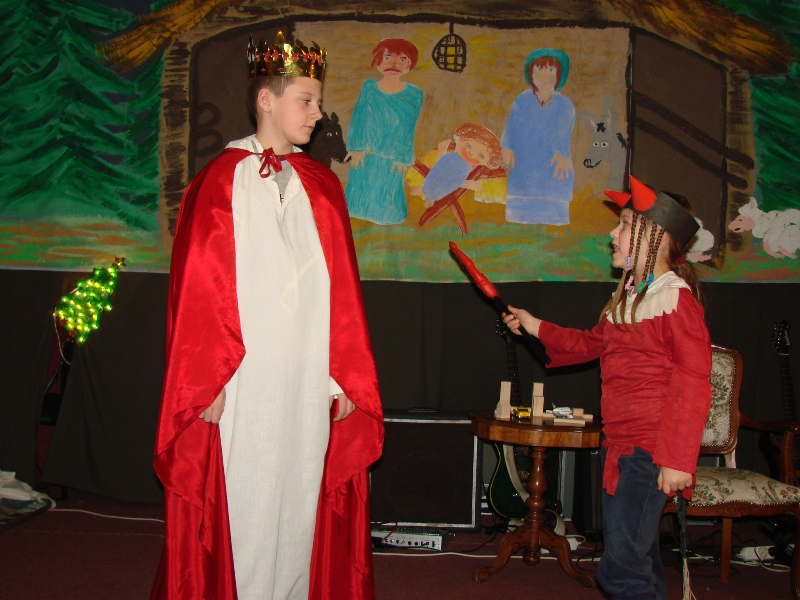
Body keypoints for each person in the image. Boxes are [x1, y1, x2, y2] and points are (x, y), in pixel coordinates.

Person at [150, 32, 383, 600]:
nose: (317, 112)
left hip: (306, 375)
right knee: (248, 499)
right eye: (305, 99)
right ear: (266, 100)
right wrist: (206, 382)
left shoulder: (322, 185)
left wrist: (339, 377)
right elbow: (200, 290)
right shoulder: (218, 182)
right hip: (243, 378)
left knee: (301, 495)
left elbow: (339, 293)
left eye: (318, 100)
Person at [503, 175, 712, 599]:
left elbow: (693, 381)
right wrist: (533, 324)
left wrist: (677, 460)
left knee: (622, 569)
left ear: (654, 236)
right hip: (621, 445)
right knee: (638, 556)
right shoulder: (633, 298)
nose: (612, 234)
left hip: (649, 451)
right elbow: (588, 344)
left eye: (624, 225)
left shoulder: (674, 300)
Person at [344, 38, 423, 224]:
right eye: (387, 57)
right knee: (360, 190)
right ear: (378, 60)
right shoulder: (369, 88)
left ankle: (389, 219)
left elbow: (408, 127)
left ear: (411, 64)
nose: (394, 64)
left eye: (402, 59)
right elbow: (359, 118)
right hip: (366, 153)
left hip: (393, 155)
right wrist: (356, 148)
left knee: (389, 192)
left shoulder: (414, 94)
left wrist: (403, 157)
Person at [501, 48, 575, 225]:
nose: (544, 76)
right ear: (531, 73)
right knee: (519, 217)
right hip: (524, 167)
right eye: (539, 69)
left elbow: (563, 134)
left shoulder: (564, 104)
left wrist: (561, 154)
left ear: (558, 75)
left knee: (553, 216)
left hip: (552, 165)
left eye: (551, 70)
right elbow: (511, 129)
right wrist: (506, 147)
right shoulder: (521, 101)